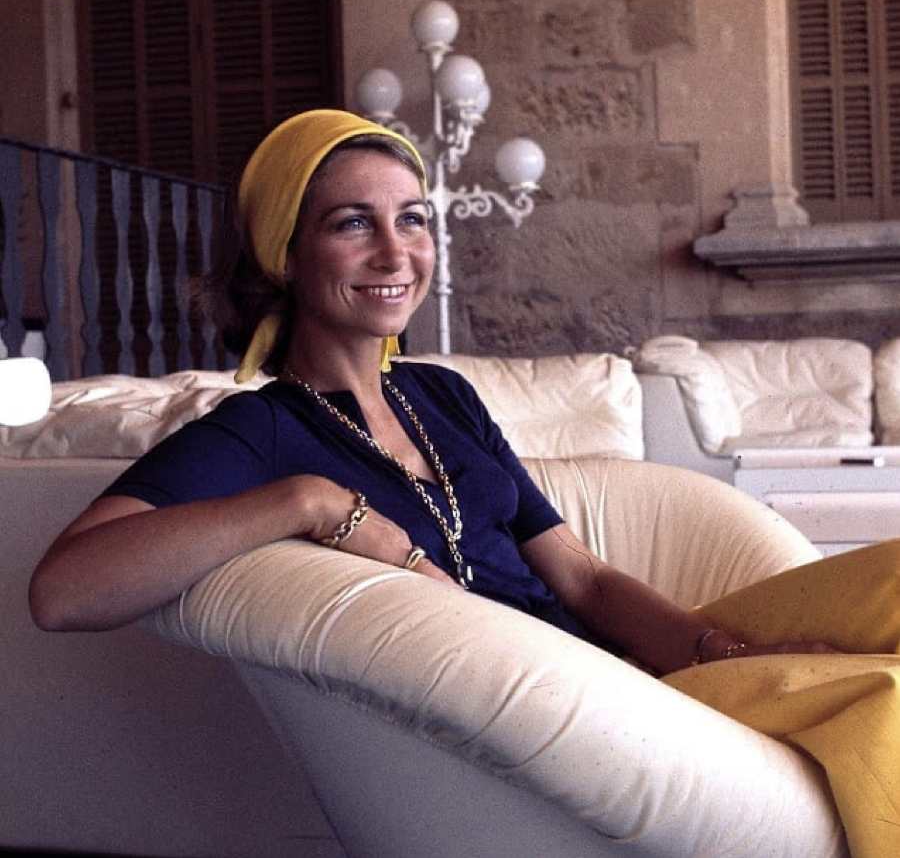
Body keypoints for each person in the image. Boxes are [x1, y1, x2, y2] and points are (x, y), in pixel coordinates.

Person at [27, 108, 832, 676]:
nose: (395, 253)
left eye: (412, 220)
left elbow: (581, 578)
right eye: (352, 224)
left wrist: (718, 654)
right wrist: (307, 502)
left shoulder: (442, 396)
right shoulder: (260, 431)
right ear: (285, 254)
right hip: (542, 722)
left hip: (618, 682)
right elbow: (62, 592)